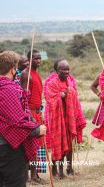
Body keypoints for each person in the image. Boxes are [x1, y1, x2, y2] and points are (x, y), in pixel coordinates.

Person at [0, 51, 46, 187]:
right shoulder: (9, 89)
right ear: (13, 69)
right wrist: (37, 130)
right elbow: (17, 121)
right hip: (9, 147)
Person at [44, 59, 86, 179]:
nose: (66, 72)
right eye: (63, 70)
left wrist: (69, 93)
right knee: (57, 144)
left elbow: (75, 98)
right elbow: (49, 99)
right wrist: (60, 96)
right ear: (57, 71)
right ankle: (55, 170)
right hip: (56, 119)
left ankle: (64, 170)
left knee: (67, 144)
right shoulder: (51, 83)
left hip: (68, 118)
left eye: (68, 70)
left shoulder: (70, 82)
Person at [20, 50, 46, 184]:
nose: (38, 61)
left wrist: (39, 113)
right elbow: (23, 98)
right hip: (29, 113)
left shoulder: (37, 74)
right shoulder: (26, 74)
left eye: (39, 58)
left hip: (37, 112)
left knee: (36, 146)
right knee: (30, 145)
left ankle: (35, 176)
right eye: (35, 59)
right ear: (29, 59)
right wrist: (30, 115)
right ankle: (29, 177)